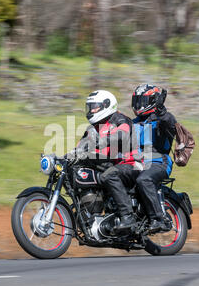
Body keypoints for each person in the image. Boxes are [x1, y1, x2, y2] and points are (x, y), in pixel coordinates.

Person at [70, 90, 142, 232]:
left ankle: (128, 216)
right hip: (111, 165)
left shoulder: (119, 119)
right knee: (75, 170)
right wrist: (68, 156)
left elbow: (122, 133)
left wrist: (102, 141)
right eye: (89, 107)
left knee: (109, 174)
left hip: (131, 165)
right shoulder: (92, 128)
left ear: (106, 105)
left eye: (94, 107)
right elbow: (81, 146)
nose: (91, 110)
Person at [132, 84, 177, 233]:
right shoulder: (133, 123)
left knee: (143, 180)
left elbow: (170, 124)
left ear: (152, 101)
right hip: (138, 163)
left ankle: (159, 219)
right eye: (137, 100)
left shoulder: (162, 120)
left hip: (159, 162)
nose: (138, 104)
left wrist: (161, 111)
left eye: (142, 101)